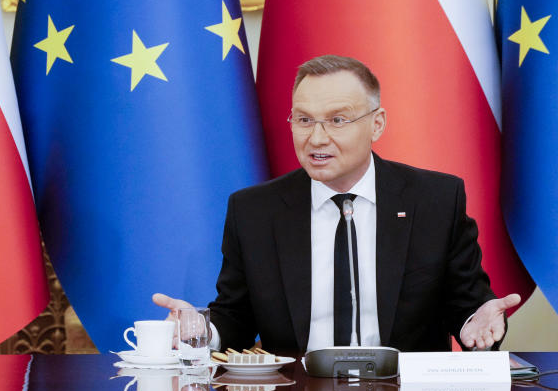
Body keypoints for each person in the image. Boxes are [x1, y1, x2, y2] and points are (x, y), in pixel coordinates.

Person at [154, 54, 519, 355]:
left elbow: (467, 305)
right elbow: (236, 316)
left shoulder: (435, 200)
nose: (316, 138)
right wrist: (202, 330)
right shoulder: (254, 211)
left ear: (377, 125)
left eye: (337, 120)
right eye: (303, 120)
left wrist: (478, 322)